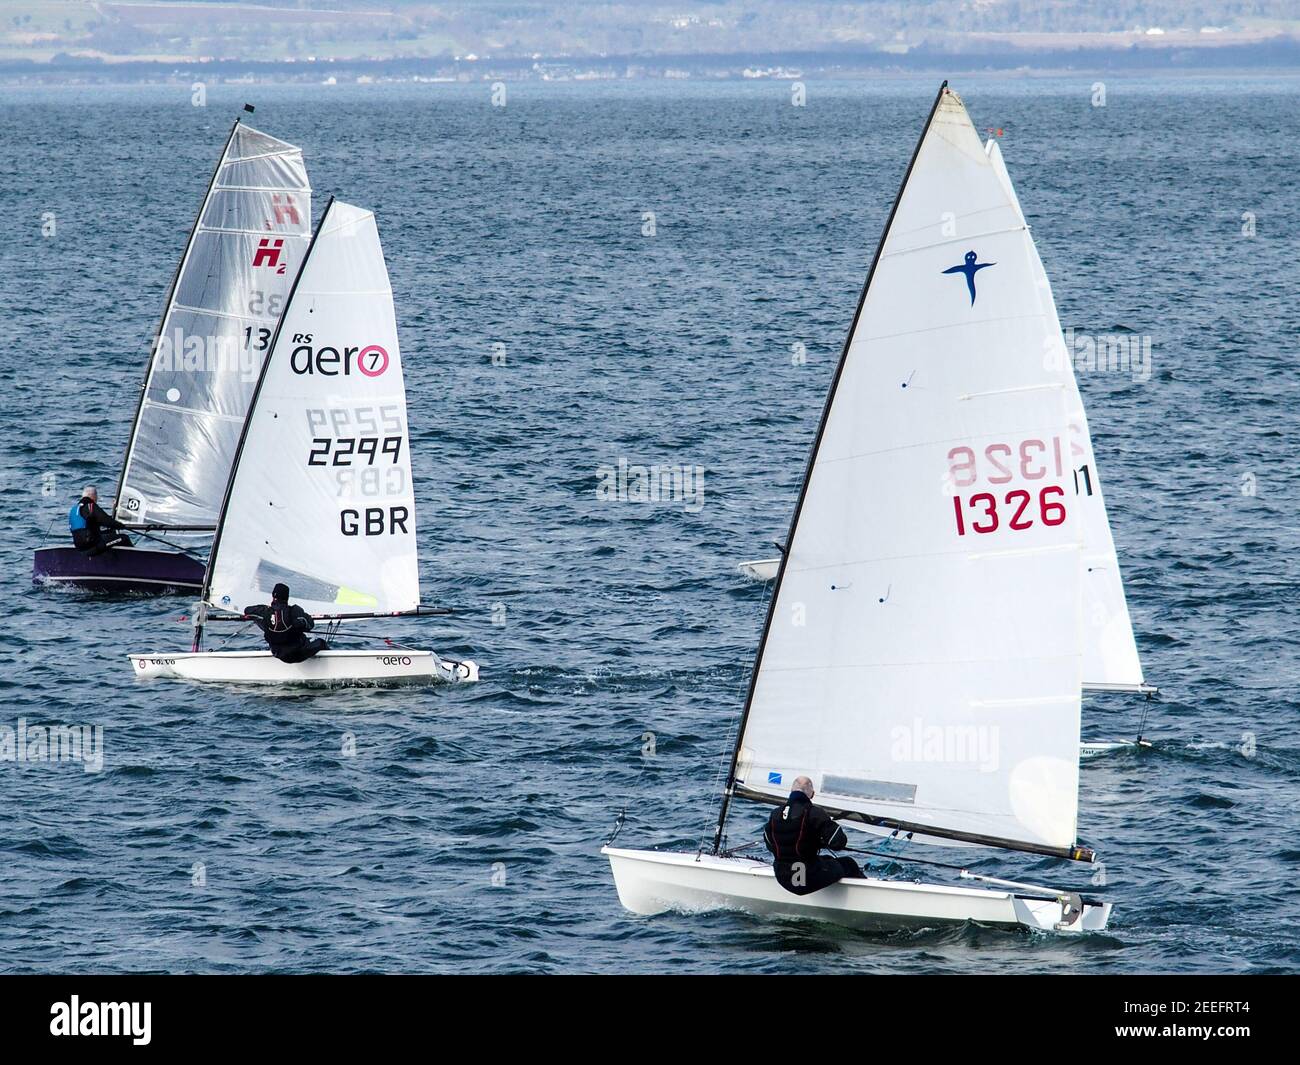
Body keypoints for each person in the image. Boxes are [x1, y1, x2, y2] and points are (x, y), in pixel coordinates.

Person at [763, 775, 864, 896]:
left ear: (791, 791)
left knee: (827, 859)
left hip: (783, 877)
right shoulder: (814, 813)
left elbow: (770, 845)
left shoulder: (775, 814)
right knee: (848, 863)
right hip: (805, 880)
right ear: (812, 794)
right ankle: (866, 896)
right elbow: (838, 843)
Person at [244, 583, 328, 663]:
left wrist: (265, 610)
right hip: (298, 653)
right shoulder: (295, 611)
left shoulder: (264, 612)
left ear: (273, 596)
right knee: (321, 642)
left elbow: (247, 610)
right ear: (287, 598)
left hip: (278, 653)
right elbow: (310, 625)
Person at [69, 486, 132, 556]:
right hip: (92, 547)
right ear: (94, 496)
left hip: (80, 548)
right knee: (124, 538)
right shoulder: (91, 506)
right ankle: (134, 560)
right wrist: (121, 525)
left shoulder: (74, 510)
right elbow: (107, 521)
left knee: (110, 533)